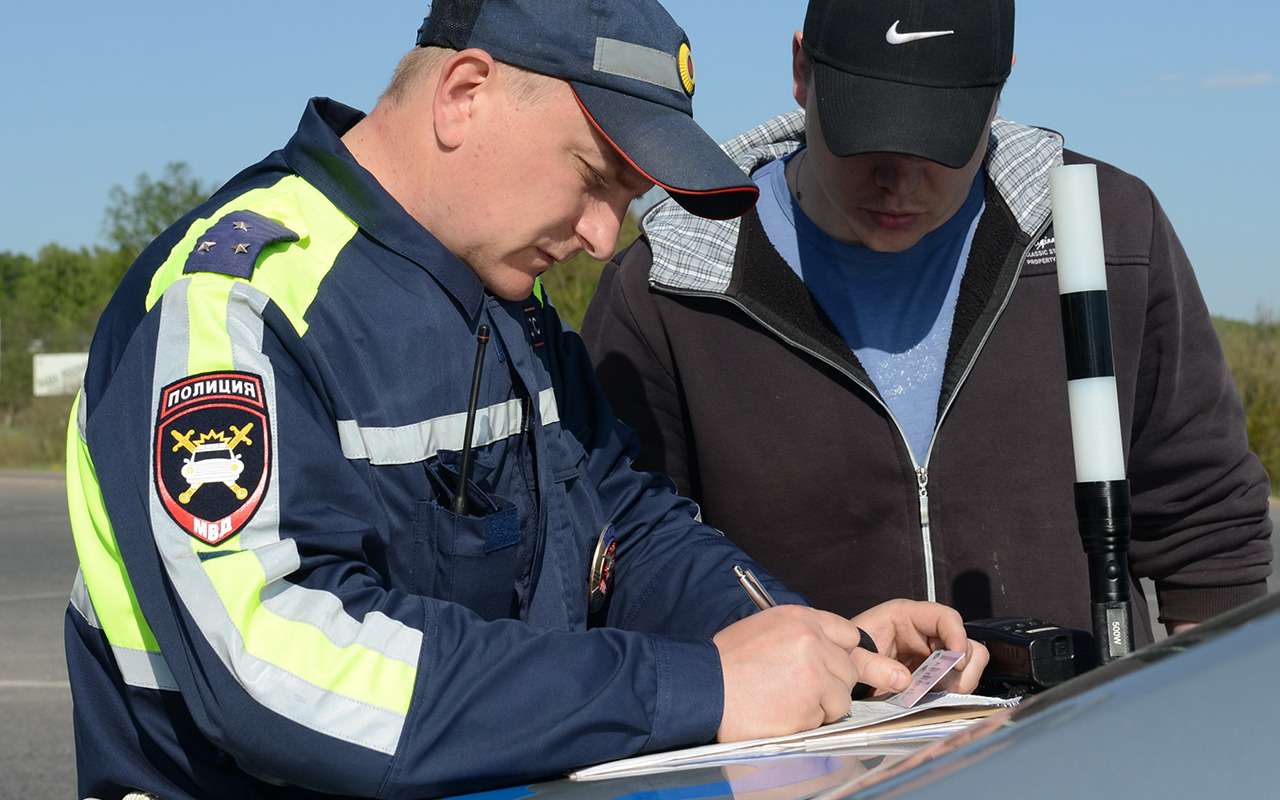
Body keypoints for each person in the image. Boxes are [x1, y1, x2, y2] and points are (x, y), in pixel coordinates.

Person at [63, 1, 991, 798]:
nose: (600, 237)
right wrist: (697, 689)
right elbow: (273, 666)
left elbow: (621, 526)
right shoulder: (236, 304)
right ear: (463, 93)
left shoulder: (505, 298)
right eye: (593, 181)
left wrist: (811, 644)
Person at [583, 0, 1272, 647]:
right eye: (869, 132)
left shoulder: (1107, 233)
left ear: (997, 93)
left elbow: (1205, 525)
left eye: (938, 143)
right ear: (803, 71)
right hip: (813, 769)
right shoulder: (665, 292)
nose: (900, 180)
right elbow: (627, 569)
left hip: (1082, 754)